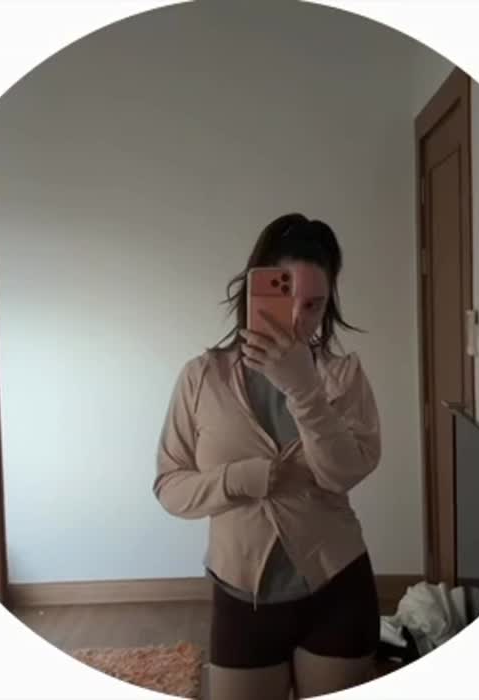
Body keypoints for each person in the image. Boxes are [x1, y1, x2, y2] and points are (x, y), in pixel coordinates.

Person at [153, 213, 382, 699]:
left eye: (315, 305)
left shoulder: (343, 377)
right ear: (255, 294)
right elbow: (170, 487)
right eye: (286, 299)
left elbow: (343, 474)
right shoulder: (202, 377)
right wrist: (242, 479)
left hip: (338, 586)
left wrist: (304, 389)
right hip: (241, 596)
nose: (298, 320)